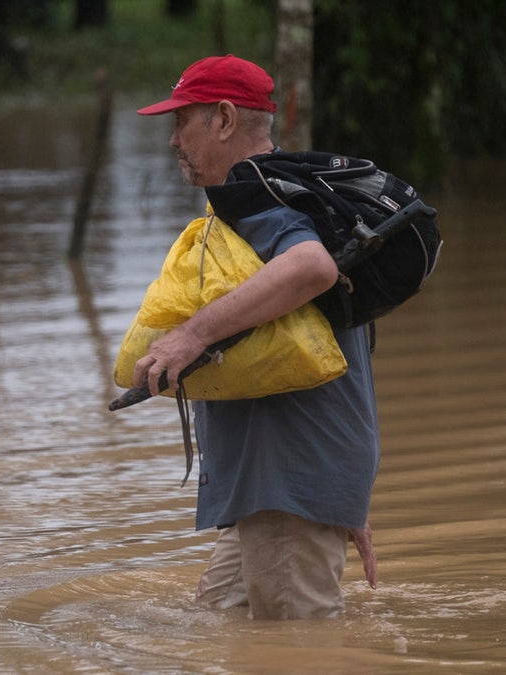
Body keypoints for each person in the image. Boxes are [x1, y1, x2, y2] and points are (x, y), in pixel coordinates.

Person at [133, 55, 378, 620]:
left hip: (287, 479)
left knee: (298, 650)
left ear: (222, 120)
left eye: (182, 122)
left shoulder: (257, 195)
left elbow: (311, 269)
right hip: (280, 483)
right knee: (218, 624)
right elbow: (344, 342)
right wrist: (345, 491)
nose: (173, 140)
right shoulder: (302, 194)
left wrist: (189, 336)